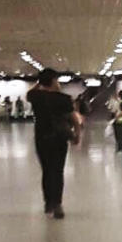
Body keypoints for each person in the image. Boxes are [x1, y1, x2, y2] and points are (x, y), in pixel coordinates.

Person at [27, 69, 82, 219]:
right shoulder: (63, 98)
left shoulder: (35, 96)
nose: (58, 83)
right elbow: (75, 119)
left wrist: (40, 82)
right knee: (58, 171)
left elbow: (31, 92)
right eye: (56, 80)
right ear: (52, 81)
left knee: (46, 170)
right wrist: (77, 135)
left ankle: (48, 203)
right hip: (59, 139)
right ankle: (57, 204)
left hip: (41, 138)